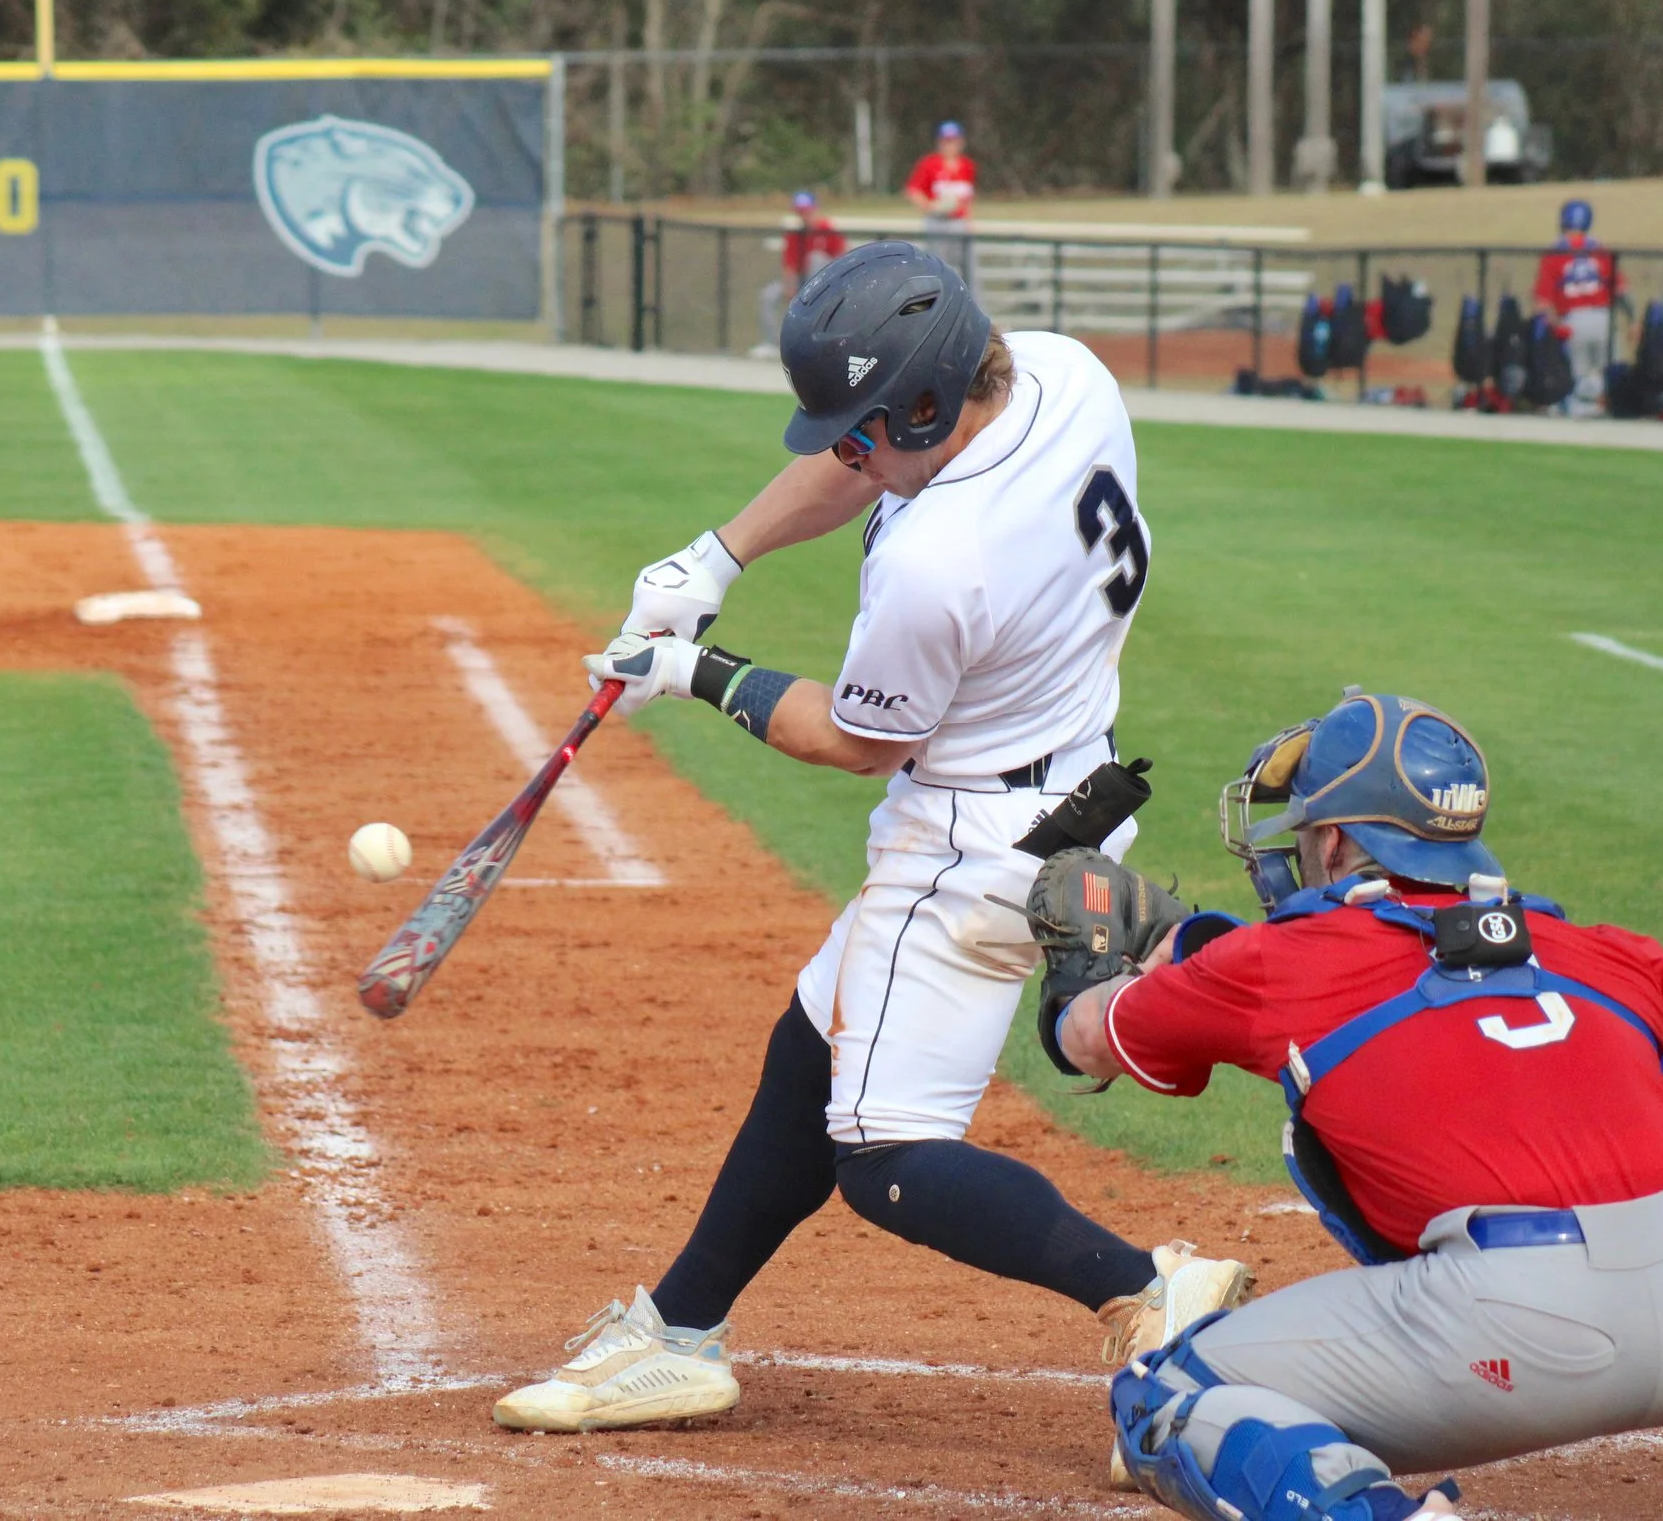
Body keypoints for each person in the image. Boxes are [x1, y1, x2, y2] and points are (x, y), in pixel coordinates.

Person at [492, 240, 1249, 1443]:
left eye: (863, 426)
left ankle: (1152, 1289)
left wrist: (692, 669)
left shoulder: (938, 563)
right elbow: (875, 462)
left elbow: (855, 742)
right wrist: (716, 555)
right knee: (815, 1040)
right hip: (1073, 783)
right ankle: (679, 1329)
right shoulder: (1062, 372)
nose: (845, 451)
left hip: (965, 849)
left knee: (884, 1154)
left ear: (932, 401)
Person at [1035, 692, 1663, 1521]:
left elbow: (1088, 1038)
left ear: (1336, 838)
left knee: (1165, 1395)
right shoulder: (1602, 951)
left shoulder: (1279, 961)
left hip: (1513, 1334)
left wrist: (1084, 980)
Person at [1531, 199, 1624, 415]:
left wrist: (1553, 328)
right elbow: (1621, 291)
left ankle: (1581, 421)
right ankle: (1610, 417)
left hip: (1573, 321)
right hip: (1604, 319)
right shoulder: (1599, 250)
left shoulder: (1555, 252)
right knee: (1609, 373)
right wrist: (1632, 318)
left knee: (1578, 378)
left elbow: (1542, 302)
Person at [750, 190, 847, 360]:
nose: (804, 215)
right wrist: (790, 286)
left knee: (816, 257)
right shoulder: (795, 234)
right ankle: (772, 344)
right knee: (768, 295)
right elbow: (790, 265)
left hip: (826, 286)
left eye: (807, 210)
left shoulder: (826, 229)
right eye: (800, 211)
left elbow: (842, 256)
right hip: (801, 284)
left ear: (815, 208)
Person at [902, 121, 976, 279]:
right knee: (938, 266)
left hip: (959, 221)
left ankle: (972, 300)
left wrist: (969, 221)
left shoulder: (967, 165)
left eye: (953, 140)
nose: (949, 145)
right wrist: (929, 206)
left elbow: (967, 198)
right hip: (938, 221)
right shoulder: (930, 164)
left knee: (968, 266)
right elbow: (912, 190)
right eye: (946, 141)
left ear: (961, 142)